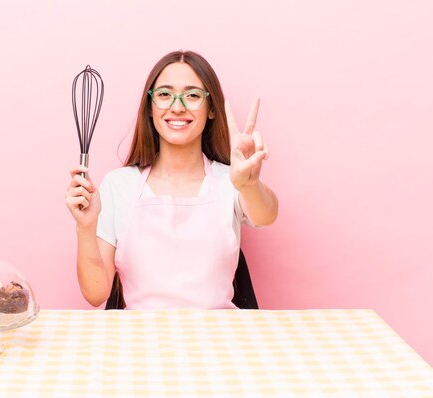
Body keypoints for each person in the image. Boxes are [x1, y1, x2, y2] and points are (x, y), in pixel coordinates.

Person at [65, 50, 278, 309]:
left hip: (218, 342)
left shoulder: (230, 179)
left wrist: (249, 184)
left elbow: (267, 214)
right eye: (165, 95)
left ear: (211, 109)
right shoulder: (118, 185)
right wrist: (85, 228)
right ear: (151, 107)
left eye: (192, 95)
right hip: (142, 343)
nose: (177, 107)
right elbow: (96, 292)